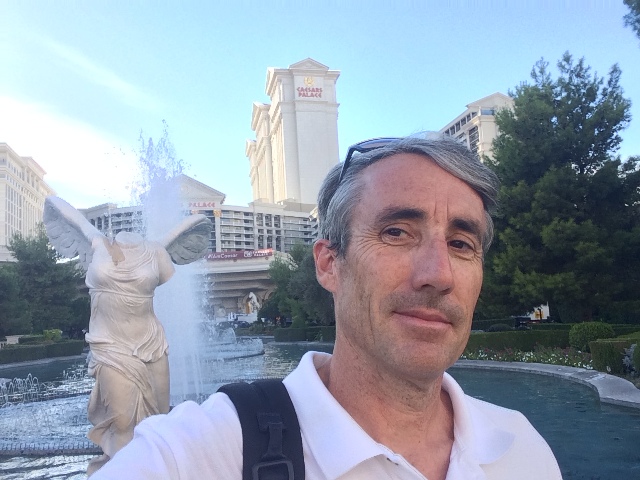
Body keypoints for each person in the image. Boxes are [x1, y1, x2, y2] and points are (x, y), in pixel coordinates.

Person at [91, 135, 562, 479]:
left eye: (461, 244)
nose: (438, 274)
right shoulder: (202, 453)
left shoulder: (522, 449)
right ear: (329, 264)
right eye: (397, 233)